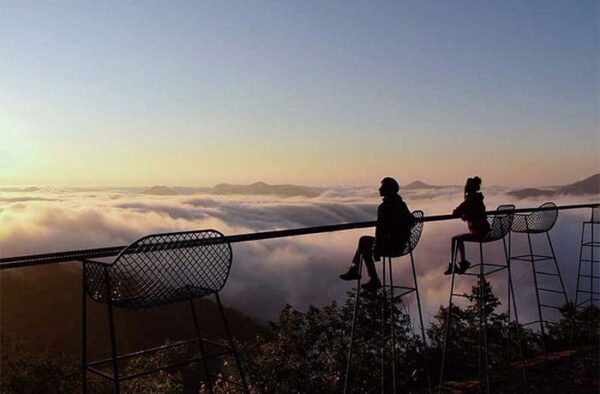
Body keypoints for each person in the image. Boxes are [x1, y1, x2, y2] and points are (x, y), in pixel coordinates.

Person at [339, 177, 416, 291]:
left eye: (382, 187)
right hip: (402, 245)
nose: (379, 189)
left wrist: (377, 249)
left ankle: (371, 278)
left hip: (391, 246)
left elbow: (380, 230)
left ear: (388, 189)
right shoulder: (401, 204)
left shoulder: (385, 207)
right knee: (364, 241)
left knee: (364, 242)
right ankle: (358, 270)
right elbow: (412, 221)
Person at [444, 176, 491, 275]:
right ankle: (460, 263)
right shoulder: (478, 199)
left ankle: (459, 263)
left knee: (456, 239)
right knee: (457, 238)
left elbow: (456, 212)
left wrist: (463, 215)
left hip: (479, 232)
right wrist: (466, 216)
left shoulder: (470, 200)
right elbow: (474, 213)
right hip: (485, 230)